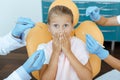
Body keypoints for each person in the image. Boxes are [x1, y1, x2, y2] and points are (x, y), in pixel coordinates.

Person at [36, 5, 93, 80]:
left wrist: (68, 51)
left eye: (65, 25)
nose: (61, 30)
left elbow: (88, 78)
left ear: (72, 27)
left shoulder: (79, 44)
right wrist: (55, 52)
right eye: (56, 25)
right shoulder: (44, 48)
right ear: (49, 28)